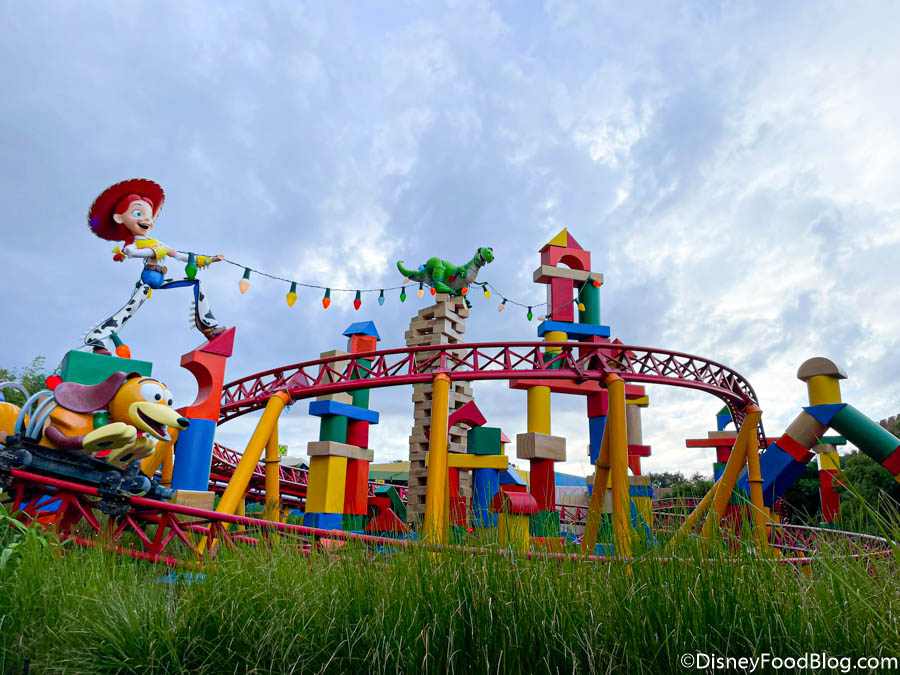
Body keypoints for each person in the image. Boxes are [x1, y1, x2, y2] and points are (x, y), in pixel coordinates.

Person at [85, 178, 228, 354]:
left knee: (196, 282)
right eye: (138, 213)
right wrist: (156, 251)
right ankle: (98, 339)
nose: (146, 218)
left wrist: (211, 260)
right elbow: (130, 252)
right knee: (128, 311)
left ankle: (208, 327)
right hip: (148, 279)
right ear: (119, 218)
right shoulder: (137, 243)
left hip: (160, 279)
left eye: (149, 215)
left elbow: (182, 256)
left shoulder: (156, 243)